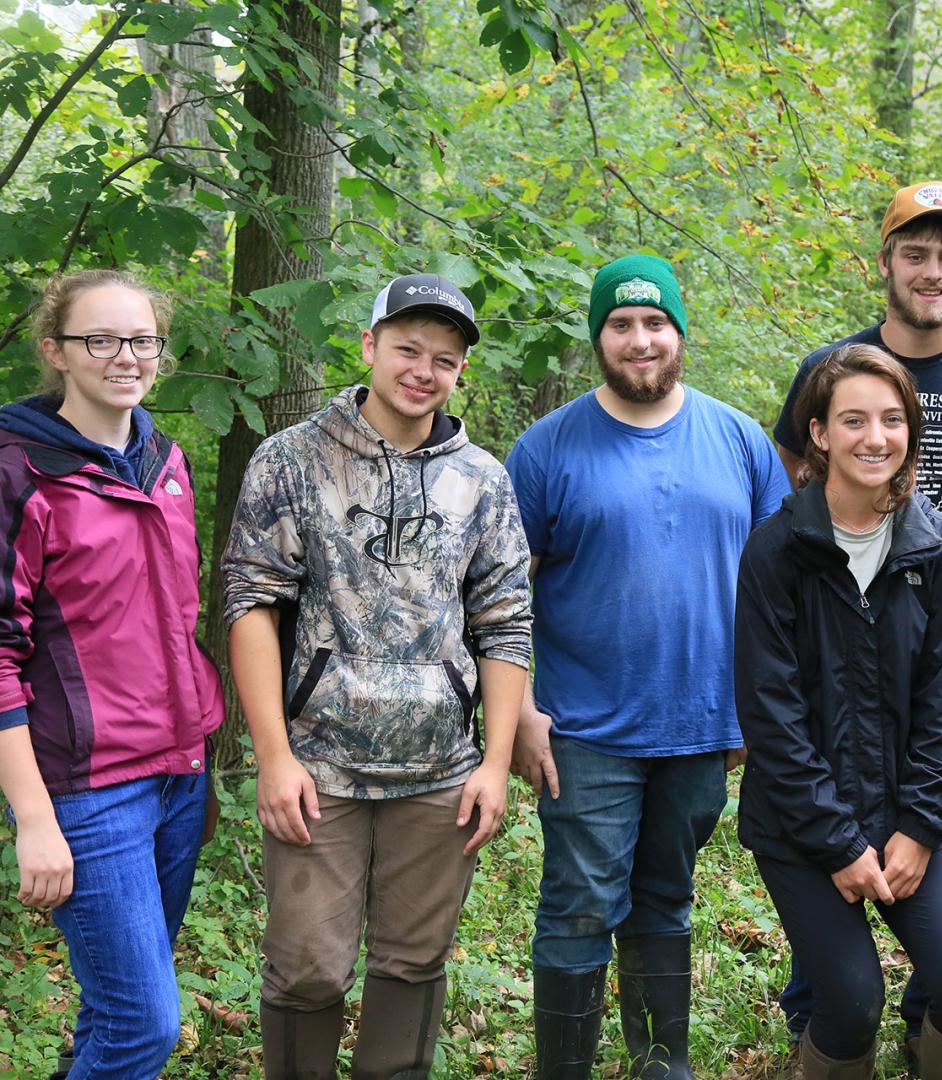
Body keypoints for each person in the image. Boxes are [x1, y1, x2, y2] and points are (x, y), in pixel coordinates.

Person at [222, 273, 532, 1079]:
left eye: (445, 358)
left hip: (440, 773)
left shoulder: (484, 481)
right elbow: (250, 605)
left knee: (412, 963)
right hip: (318, 767)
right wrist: (273, 756)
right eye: (407, 349)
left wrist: (495, 765)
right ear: (369, 347)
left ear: (462, 371)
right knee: (307, 967)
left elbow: (505, 624)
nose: (424, 369)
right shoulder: (289, 459)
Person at [772, 179, 942, 1056]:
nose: (934, 271)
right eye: (917, 254)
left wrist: (935, 588)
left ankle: (934, 1015)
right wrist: (861, 587)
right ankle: (824, 1010)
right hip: (832, 636)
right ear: (885, 262)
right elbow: (794, 490)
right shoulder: (832, 371)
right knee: (832, 803)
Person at [505, 254, 790, 1079]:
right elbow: (499, 596)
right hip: (586, 726)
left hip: (702, 723)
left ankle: (663, 1066)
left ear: (679, 332)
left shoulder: (737, 440)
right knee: (581, 903)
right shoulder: (547, 448)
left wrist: (757, 712)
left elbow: (777, 590)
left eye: (655, 323)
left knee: (666, 897)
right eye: (621, 324)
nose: (640, 340)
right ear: (599, 336)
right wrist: (518, 710)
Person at [736, 344, 942, 1079]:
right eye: (853, 420)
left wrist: (918, 827)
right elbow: (770, 716)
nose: (875, 437)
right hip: (799, 824)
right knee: (851, 1001)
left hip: (910, 813)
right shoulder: (776, 552)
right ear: (819, 433)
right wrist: (838, 844)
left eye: (891, 419)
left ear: (910, 430)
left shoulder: (939, 548)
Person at [0, 269, 226, 1078]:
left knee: (112, 1009)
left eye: (141, 339)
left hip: (178, 776)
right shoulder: (19, 471)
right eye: (100, 339)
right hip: (90, 793)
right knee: (143, 1027)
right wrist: (34, 817)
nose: (125, 356)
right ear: (56, 351)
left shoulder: (166, 462)